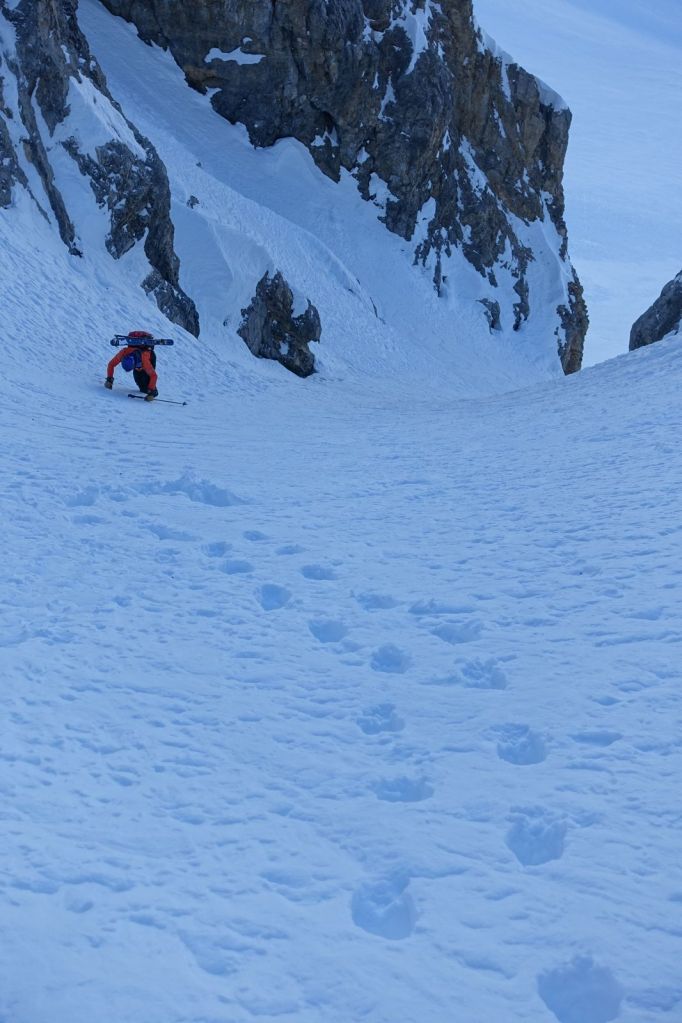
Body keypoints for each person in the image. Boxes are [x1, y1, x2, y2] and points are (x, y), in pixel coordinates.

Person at [105, 330, 159, 401]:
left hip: (150, 357)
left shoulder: (144, 360)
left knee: (145, 386)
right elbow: (111, 364)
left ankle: (154, 391)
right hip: (138, 363)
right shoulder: (123, 353)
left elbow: (153, 376)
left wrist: (151, 392)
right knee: (140, 384)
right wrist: (109, 380)